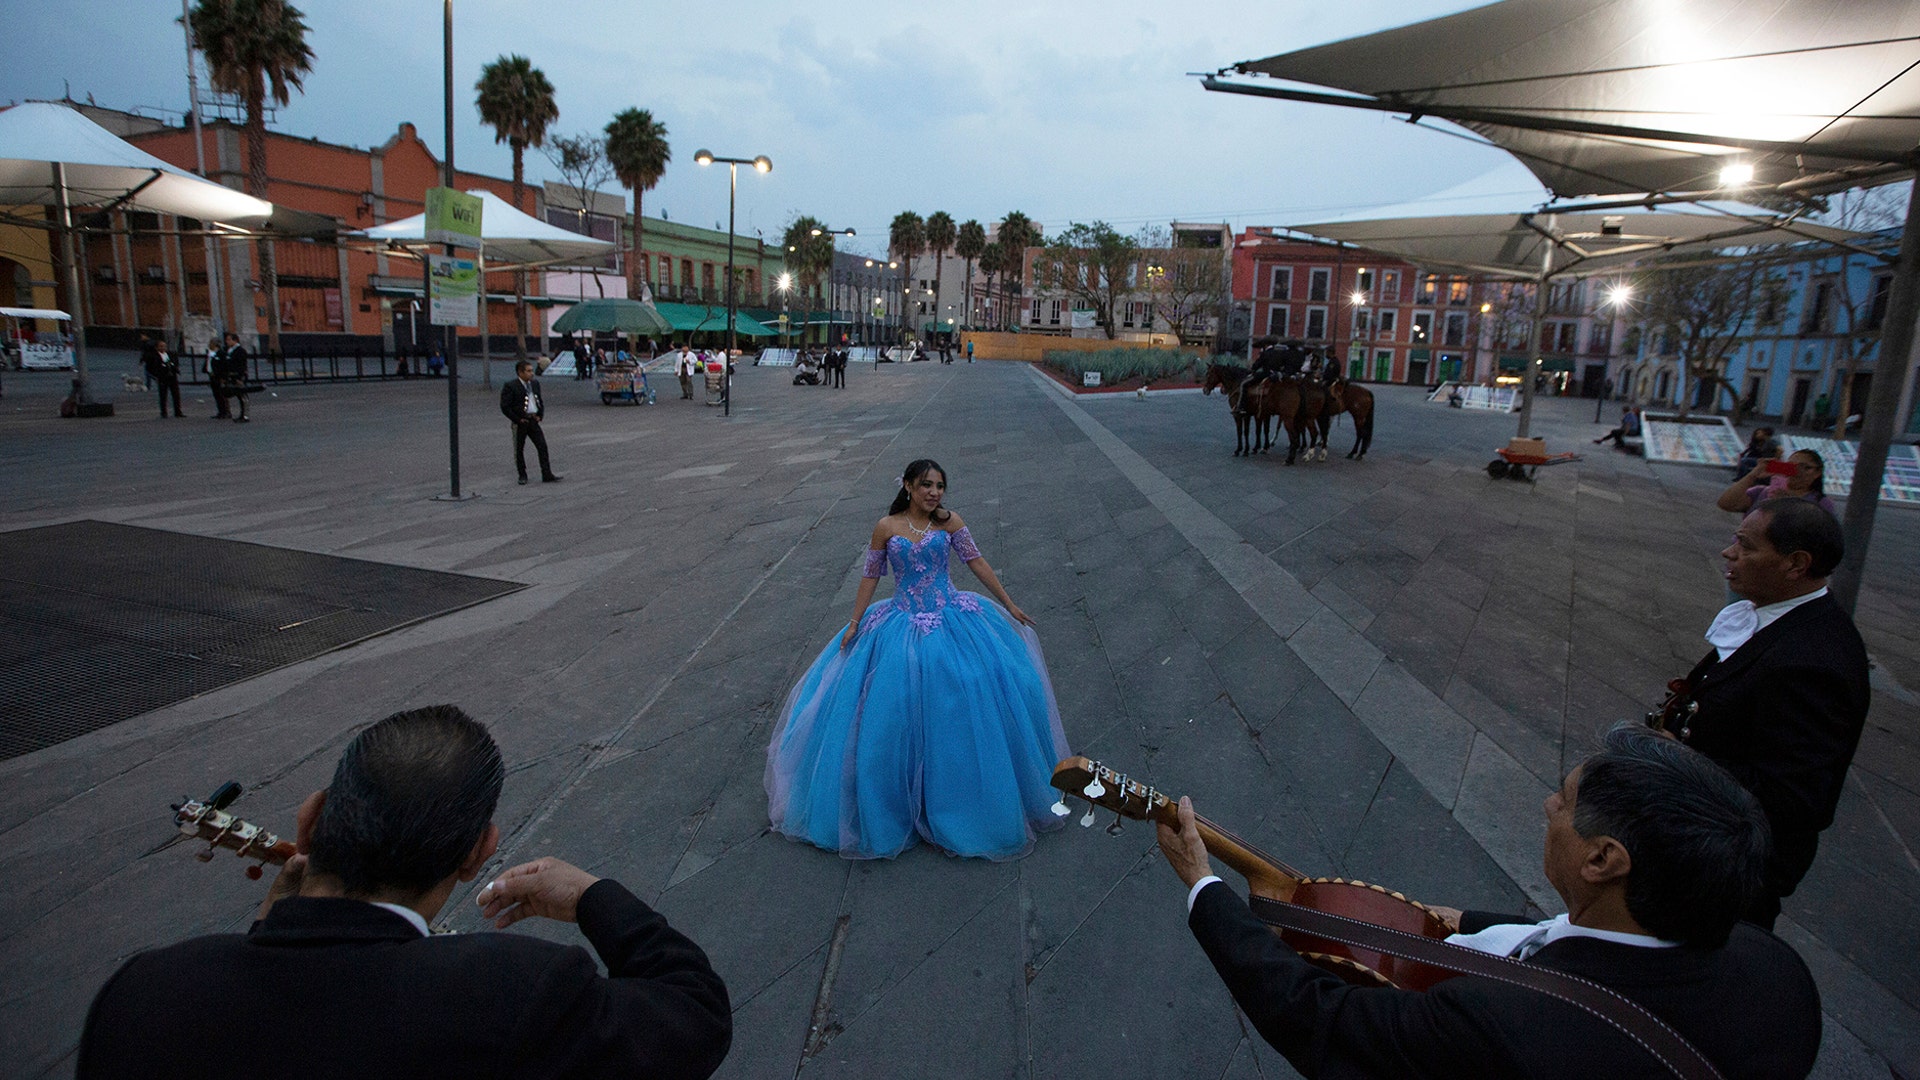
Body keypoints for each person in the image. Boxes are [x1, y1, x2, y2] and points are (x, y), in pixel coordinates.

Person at [77, 705, 732, 1080]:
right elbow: (694, 1015)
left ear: (311, 819)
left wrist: (267, 936)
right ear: (479, 852)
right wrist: (594, 898)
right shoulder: (516, 995)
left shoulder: (141, 995)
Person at [1159, 724, 1822, 1078]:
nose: (1548, 806)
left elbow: (1324, 1021)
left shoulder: (1497, 1026)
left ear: (1603, 860)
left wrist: (1203, 885)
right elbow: (1574, 939)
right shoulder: (1777, 972)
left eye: (1563, 801)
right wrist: (1466, 923)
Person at [765, 459, 1071, 860]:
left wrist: (1009, 604)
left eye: (940, 486)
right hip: (901, 622)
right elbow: (870, 576)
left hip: (953, 617)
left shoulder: (949, 522)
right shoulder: (886, 527)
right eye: (927, 485)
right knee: (890, 715)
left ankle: (965, 797)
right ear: (908, 486)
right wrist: (855, 622)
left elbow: (975, 562)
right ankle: (896, 801)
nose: (934, 493)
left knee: (974, 697)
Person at [1661, 498, 1870, 928]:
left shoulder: (1814, 659)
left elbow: (1794, 797)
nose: (1729, 552)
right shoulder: (1778, 619)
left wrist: (1676, 759)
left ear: (1795, 564)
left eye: (1746, 545)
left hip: (1729, 865)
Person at [1716, 449, 1837, 517]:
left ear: (1818, 473)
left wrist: (1789, 505)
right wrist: (1753, 475)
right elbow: (1726, 503)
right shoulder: (1761, 492)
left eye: (1806, 467)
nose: (1798, 471)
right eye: (1792, 466)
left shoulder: (1822, 503)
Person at [500, 359, 561, 485]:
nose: (531, 373)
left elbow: (539, 400)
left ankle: (546, 473)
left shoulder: (534, 384)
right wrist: (517, 419)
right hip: (521, 421)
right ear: (520, 372)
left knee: (542, 446)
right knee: (519, 449)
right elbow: (505, 406)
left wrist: (540, 414)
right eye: (528, 371)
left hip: (533, 420)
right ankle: (522, 474)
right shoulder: (511, 386)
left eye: (531, 371)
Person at [213, 332, 250, 423]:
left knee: (243, 396)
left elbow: (241, 365)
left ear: (235, 340)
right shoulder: (228, 350)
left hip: (238, 376)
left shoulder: (240, 350)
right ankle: (242, 414)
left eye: (229, 340)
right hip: (231, 376)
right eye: (227, 340)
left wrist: (240, 376)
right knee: (238, 395)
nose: (227, 342)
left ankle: (245, 415)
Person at [146, 338, 182, 418]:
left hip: (172, 377)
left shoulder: (170, 354)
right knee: (163, 395)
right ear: (157, 347)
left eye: (164, 346)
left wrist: (175, 369)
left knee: (176, 394)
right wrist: (157, 375)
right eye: (161, 346)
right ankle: (163, 412)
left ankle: (178, 411)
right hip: (162, 378)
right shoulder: (154, 356)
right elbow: (150, 367)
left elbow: (175, 362)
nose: (163, 348)